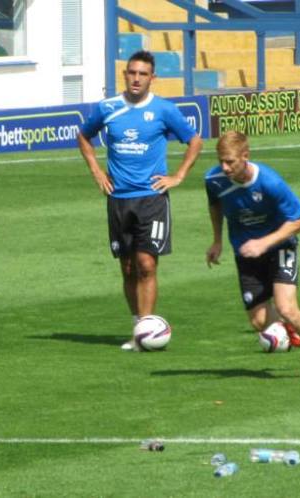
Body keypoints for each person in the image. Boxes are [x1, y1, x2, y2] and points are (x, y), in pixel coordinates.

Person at [77, 50, 203, 351]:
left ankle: (146, 329)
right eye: (132, 73)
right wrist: (96, 171)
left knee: (146, 264)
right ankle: (139, 328)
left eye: (142, 74)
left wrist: (178, 176)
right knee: (127, 267)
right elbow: (84, 136)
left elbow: (194, 141)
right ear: (125, 75)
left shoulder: (164, 110)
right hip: (118, 198)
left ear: (152, 78)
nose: (136, 78)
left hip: (152, 199)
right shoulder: (108, 107)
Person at [206, 131, 300, 382]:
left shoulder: (269, 182)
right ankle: (290, 329)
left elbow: (297, 222)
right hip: (246, 252)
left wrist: (263, 243)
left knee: (287, 308)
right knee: (258, 321)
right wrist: (217, 240)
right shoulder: (213, 180)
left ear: (245, 156)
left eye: (230, 161)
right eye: (221, 161)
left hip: (281, 246)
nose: (225, 167)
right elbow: (215, 204)